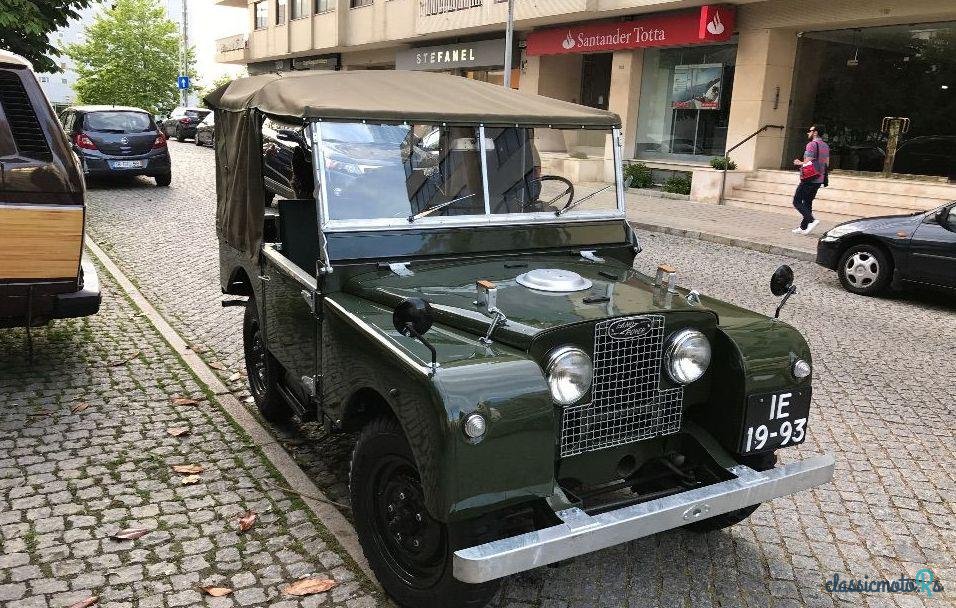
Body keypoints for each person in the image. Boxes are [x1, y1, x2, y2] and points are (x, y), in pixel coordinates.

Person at [791, 125, 829, 234]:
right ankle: (803, 227)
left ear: (815, 133)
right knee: (808, 202)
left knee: (797, 201)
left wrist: (799, 163)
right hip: (819, 179)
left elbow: (807, 162)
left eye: (810, 131)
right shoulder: (825, 146)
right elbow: (826, 163)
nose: (808, 133)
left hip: (809, 179)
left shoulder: (811, 145)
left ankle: (812, 220)